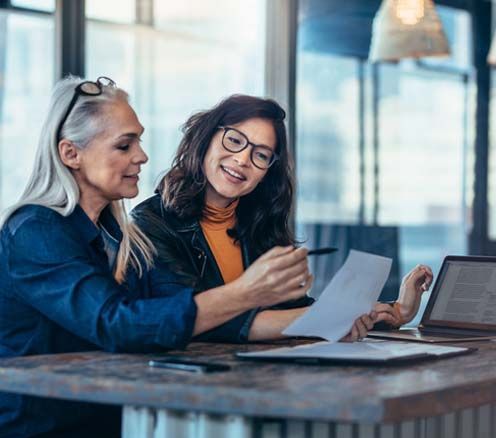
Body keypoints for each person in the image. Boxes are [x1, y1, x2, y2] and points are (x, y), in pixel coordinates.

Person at [0, 79, 313, 438]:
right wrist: (246, 291)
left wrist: (335, 319)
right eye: (124, 145)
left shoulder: (120, 237)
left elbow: (183, 308)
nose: (142, 157)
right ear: (71, 153)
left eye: (139, 143)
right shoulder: (34, 231)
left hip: (115, 434)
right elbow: (119, 323)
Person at [131, 94, 433, 343]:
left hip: (262, 378)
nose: (242, 160)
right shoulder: (151, 223)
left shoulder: (258, 224)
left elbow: (295, 311)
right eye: (234, 140)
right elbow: (197, 319)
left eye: (261, 155)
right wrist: (328, 319)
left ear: (267, 173)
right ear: (206, 138)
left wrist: (394, 312)